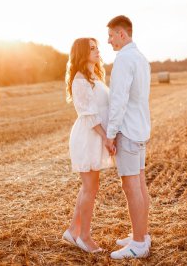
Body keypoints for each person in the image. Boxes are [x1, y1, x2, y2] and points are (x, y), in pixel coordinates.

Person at [105, 15, 151, 259]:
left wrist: (110, 134)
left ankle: (139, 244)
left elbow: (119, 100)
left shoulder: (124, 59)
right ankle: (141, 234)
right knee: (140, 183)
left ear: (122, 34)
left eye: (111, 35)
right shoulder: (141, 58)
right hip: (140, 129)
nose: (109, 40)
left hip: (129, 131)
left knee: (130, 185)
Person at [63, 37, 114, 253]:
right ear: (82, 53)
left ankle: (73, 231)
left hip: (96, 135)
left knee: (90, 187)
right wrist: (105, 137)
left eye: (97, 47)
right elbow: (90, 116)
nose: (97, 51)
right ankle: (84, 236)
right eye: (92, 48)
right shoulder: (80, 80)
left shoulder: (95, 76)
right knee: (90, 188)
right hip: (88, 137)